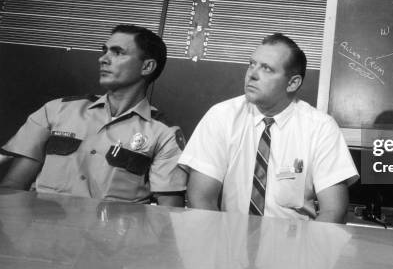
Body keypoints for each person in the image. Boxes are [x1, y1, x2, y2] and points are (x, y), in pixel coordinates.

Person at [0, 25, 187, 207]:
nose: (103, 59)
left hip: (111, 237)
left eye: (118, 52)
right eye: (104, 51)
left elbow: (168, 215)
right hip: (41, 232)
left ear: (147, 66)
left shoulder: (165, 133)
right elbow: (15, 186)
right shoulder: (57, 110)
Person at [179, 33, 358, 222]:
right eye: (252, 64)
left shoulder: (321, 128)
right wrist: (219, 248)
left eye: (266, 68)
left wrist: (308, 252)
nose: (252, 74)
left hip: (296, 245)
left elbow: (334, 211)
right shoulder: (221, 116)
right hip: (229, 241)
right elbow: (200, 197)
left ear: (292, 83)